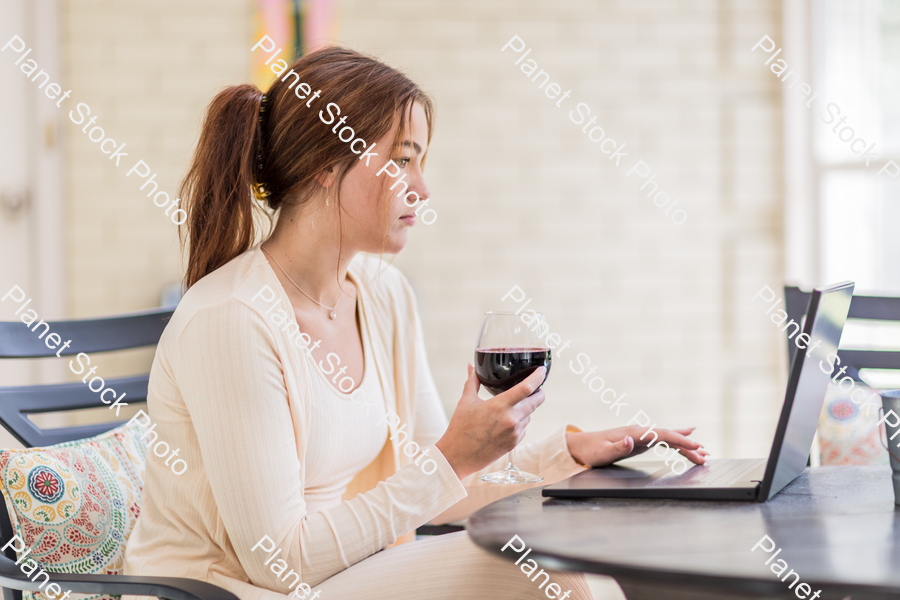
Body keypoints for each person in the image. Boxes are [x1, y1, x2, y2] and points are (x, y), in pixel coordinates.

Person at [122, 46, 707, 600]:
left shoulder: (382, 294)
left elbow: (435, 485)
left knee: (566, 552)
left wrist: (565, 455)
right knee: (543, 573)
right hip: (234, 589)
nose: (423, 190)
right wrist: (452, 457)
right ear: (328, 166)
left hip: (335, 574)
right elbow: (281, 560)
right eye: (402, 161)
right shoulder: (234, 321)